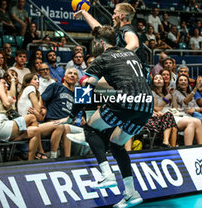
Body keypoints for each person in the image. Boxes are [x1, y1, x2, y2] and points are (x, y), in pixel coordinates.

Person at [55, 26, 153, 207]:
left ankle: (106, 174)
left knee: (90, 128)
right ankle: (131, 193)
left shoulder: (102, 58)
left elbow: (86, 88)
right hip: (147, 103)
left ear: (100, 42)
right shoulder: (130, 54)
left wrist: (72, 115)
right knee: (117, 145)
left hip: (127, 100)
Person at [0, 76, 42, 161]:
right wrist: (10, 102)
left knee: (35, 131)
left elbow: (13, 94)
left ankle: (30, 162)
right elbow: (7, 103)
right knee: (32, 117)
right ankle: (40, 151)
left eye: (7, 83)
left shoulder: (5, 93)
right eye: (4, 83)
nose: (6, 85)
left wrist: (13, 80)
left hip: (6, 127)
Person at [40, 68, 79, 158]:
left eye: (75, 74)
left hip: (69, 124)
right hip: (52, 122)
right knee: (62, 126)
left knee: (66, 127)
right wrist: (43, 108)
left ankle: (67, 158)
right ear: (64, 77)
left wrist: (80, 118)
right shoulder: (56, 86)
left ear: (77, 79)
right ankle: (54, 157)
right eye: (70, 73)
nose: (72, 75)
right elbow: (42, 98)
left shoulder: (78, 94)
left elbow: (80, 112)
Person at [173, 74, 202, 143]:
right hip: (187, 116)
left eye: (185, 80)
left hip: (197, 113)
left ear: (188, 83)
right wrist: (195, 89)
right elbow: (185, 101)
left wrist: (197, 109)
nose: (183, 82)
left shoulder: (189, 92)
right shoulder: (176, 93)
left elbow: (197, 107)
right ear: (178, 84)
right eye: (181, 80)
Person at [146, 74, 178, 148]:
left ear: (164, 82)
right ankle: (166, 143)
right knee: (170, 119)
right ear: (153, 82)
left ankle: (170, 147)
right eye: (156, 78)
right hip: (158, 118)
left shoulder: (166, 93)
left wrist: (172, 95)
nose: (159, 79)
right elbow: (157, 108)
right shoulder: (152, 93)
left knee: (172, 124)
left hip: (169, 117)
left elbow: (175, 108)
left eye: (160, 78)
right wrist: (166, 99)